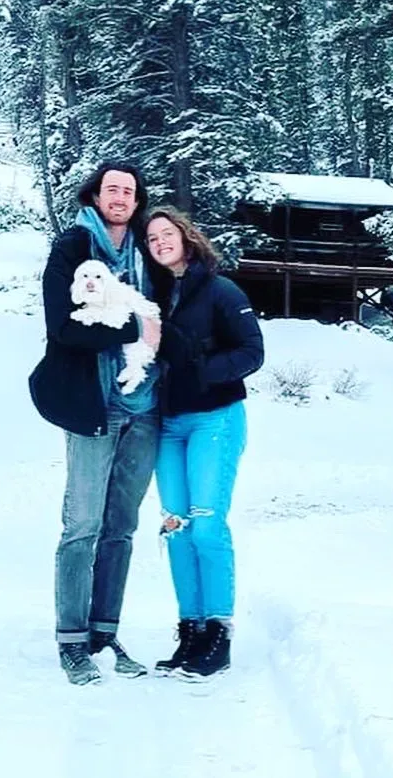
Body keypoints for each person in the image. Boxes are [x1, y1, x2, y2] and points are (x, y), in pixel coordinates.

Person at [28, 161, 162, 685]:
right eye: (112, 189)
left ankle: (105, 631)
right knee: (82, 524)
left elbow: (169, 314)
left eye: (129, 190)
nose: (121, 197)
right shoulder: (72, 247)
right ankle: (71, 640)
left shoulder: (149, 248)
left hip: (144, 407)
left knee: (121, 527)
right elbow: (61, 326)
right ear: (97, 195)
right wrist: (131, 326)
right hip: (92, 405)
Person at [144, 207, 263, 680]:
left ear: (187, 237)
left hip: (215, 420)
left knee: (208, 525)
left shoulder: (219, 290)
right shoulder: (152, 295)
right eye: (151, 238)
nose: (159, 243)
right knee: (176, 527)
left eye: (166, 234)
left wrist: (200, 371)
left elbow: (252, 352)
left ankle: (218, 631)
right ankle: (190, 629)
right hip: (168, 426)